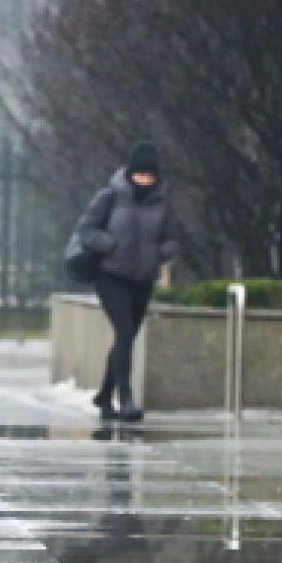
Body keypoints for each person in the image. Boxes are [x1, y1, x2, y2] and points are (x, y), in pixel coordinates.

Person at [75, 140, 179, 422]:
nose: (144, 180)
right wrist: (109, 244)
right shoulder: (110, 196)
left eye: (149, 176)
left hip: (143, 278)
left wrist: (162, 252)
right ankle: (126, 396)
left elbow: (171, 237)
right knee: (124, 332)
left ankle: (104, 396)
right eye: (139, 175)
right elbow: (86, 230)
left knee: (128, 336)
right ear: (130, 173)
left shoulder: (163, 202)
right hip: (111, 275)